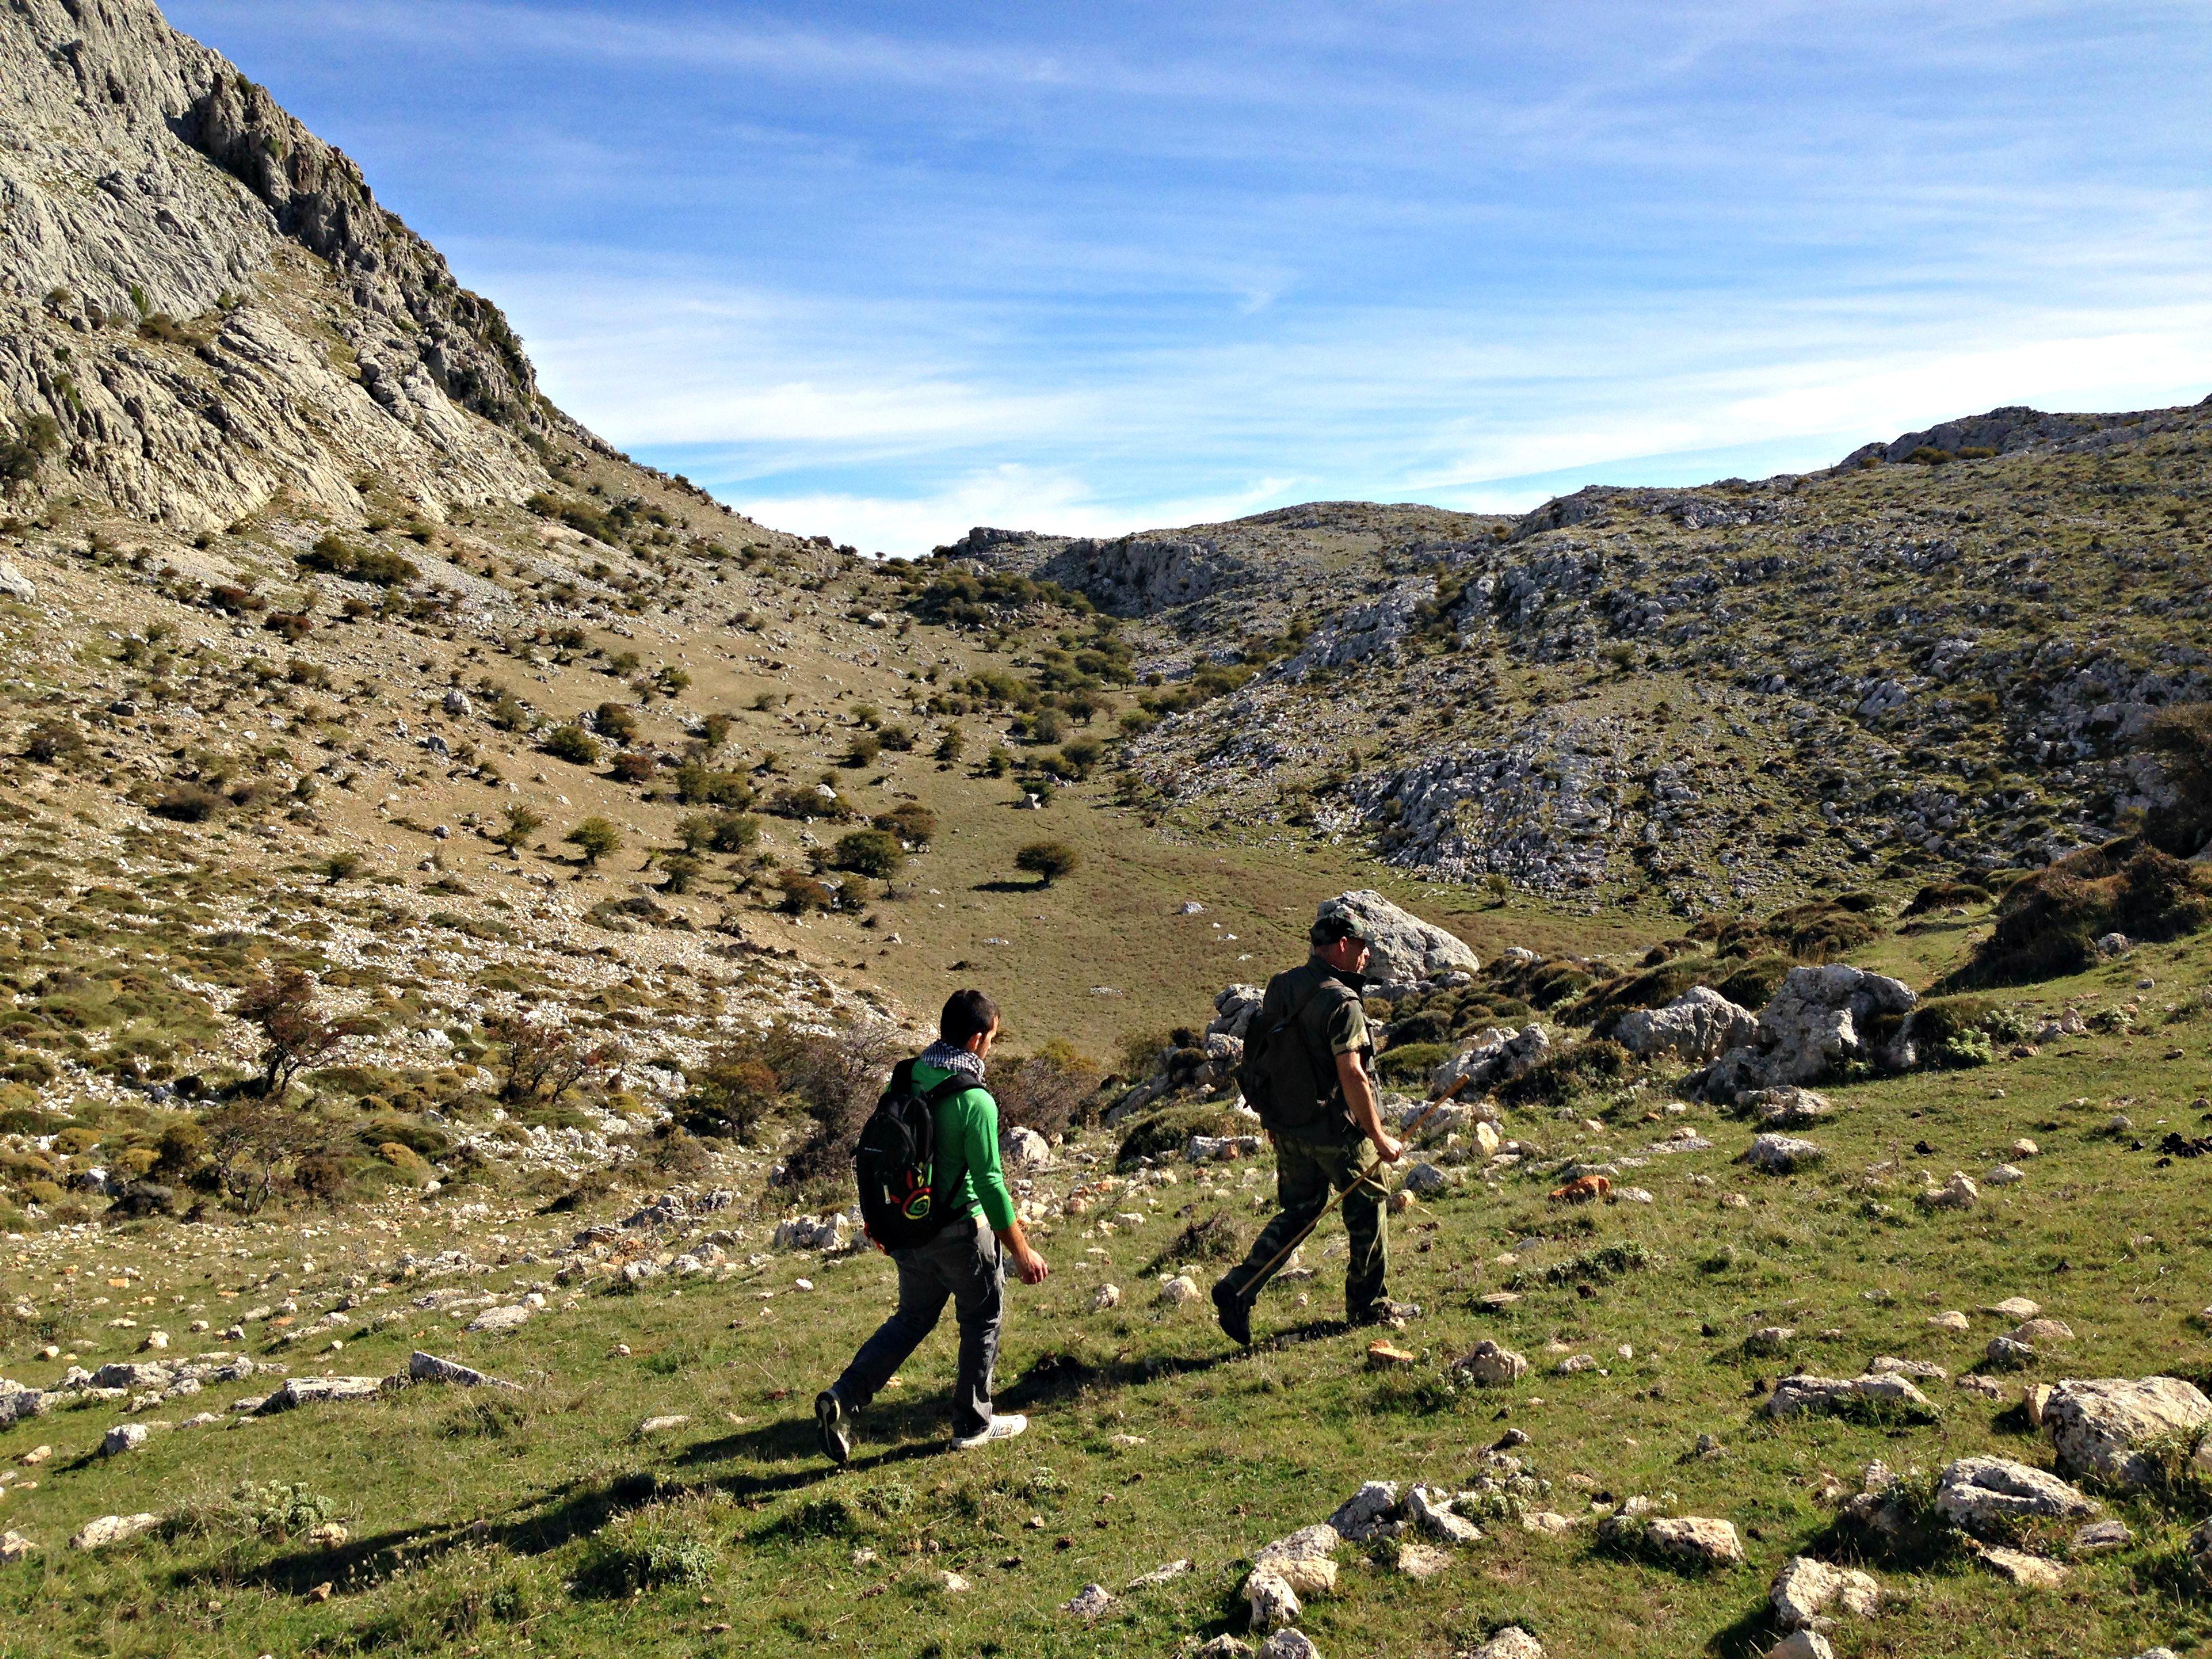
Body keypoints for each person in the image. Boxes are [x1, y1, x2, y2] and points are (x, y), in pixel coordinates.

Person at [816, 989, 1050, 1462]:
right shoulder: (975, 1101)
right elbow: (990, 1185)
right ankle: (974, 1423)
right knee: (982, 1317)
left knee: (913, 1318)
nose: (991, 1048)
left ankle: (844, 1397)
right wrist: (1022, 1252)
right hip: (960, 1233)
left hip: (907, 1228)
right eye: (992, 1040)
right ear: (978, 1039)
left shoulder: (907, 1076)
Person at [1211, 909, 1408, 1344]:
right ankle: (1368, 1306)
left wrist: (1271, 1117)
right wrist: (1377, 1136)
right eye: (1360, 946)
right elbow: (1353, 1074)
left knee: (1299, 1213)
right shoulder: (1344, 1002)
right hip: (1337, 1131)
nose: (1366, 954)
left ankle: (1239, 1288)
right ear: (1341, 945)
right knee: (1369, 1207)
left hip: (1288, 1128)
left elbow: (1266, 1055)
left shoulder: (1282, 985)